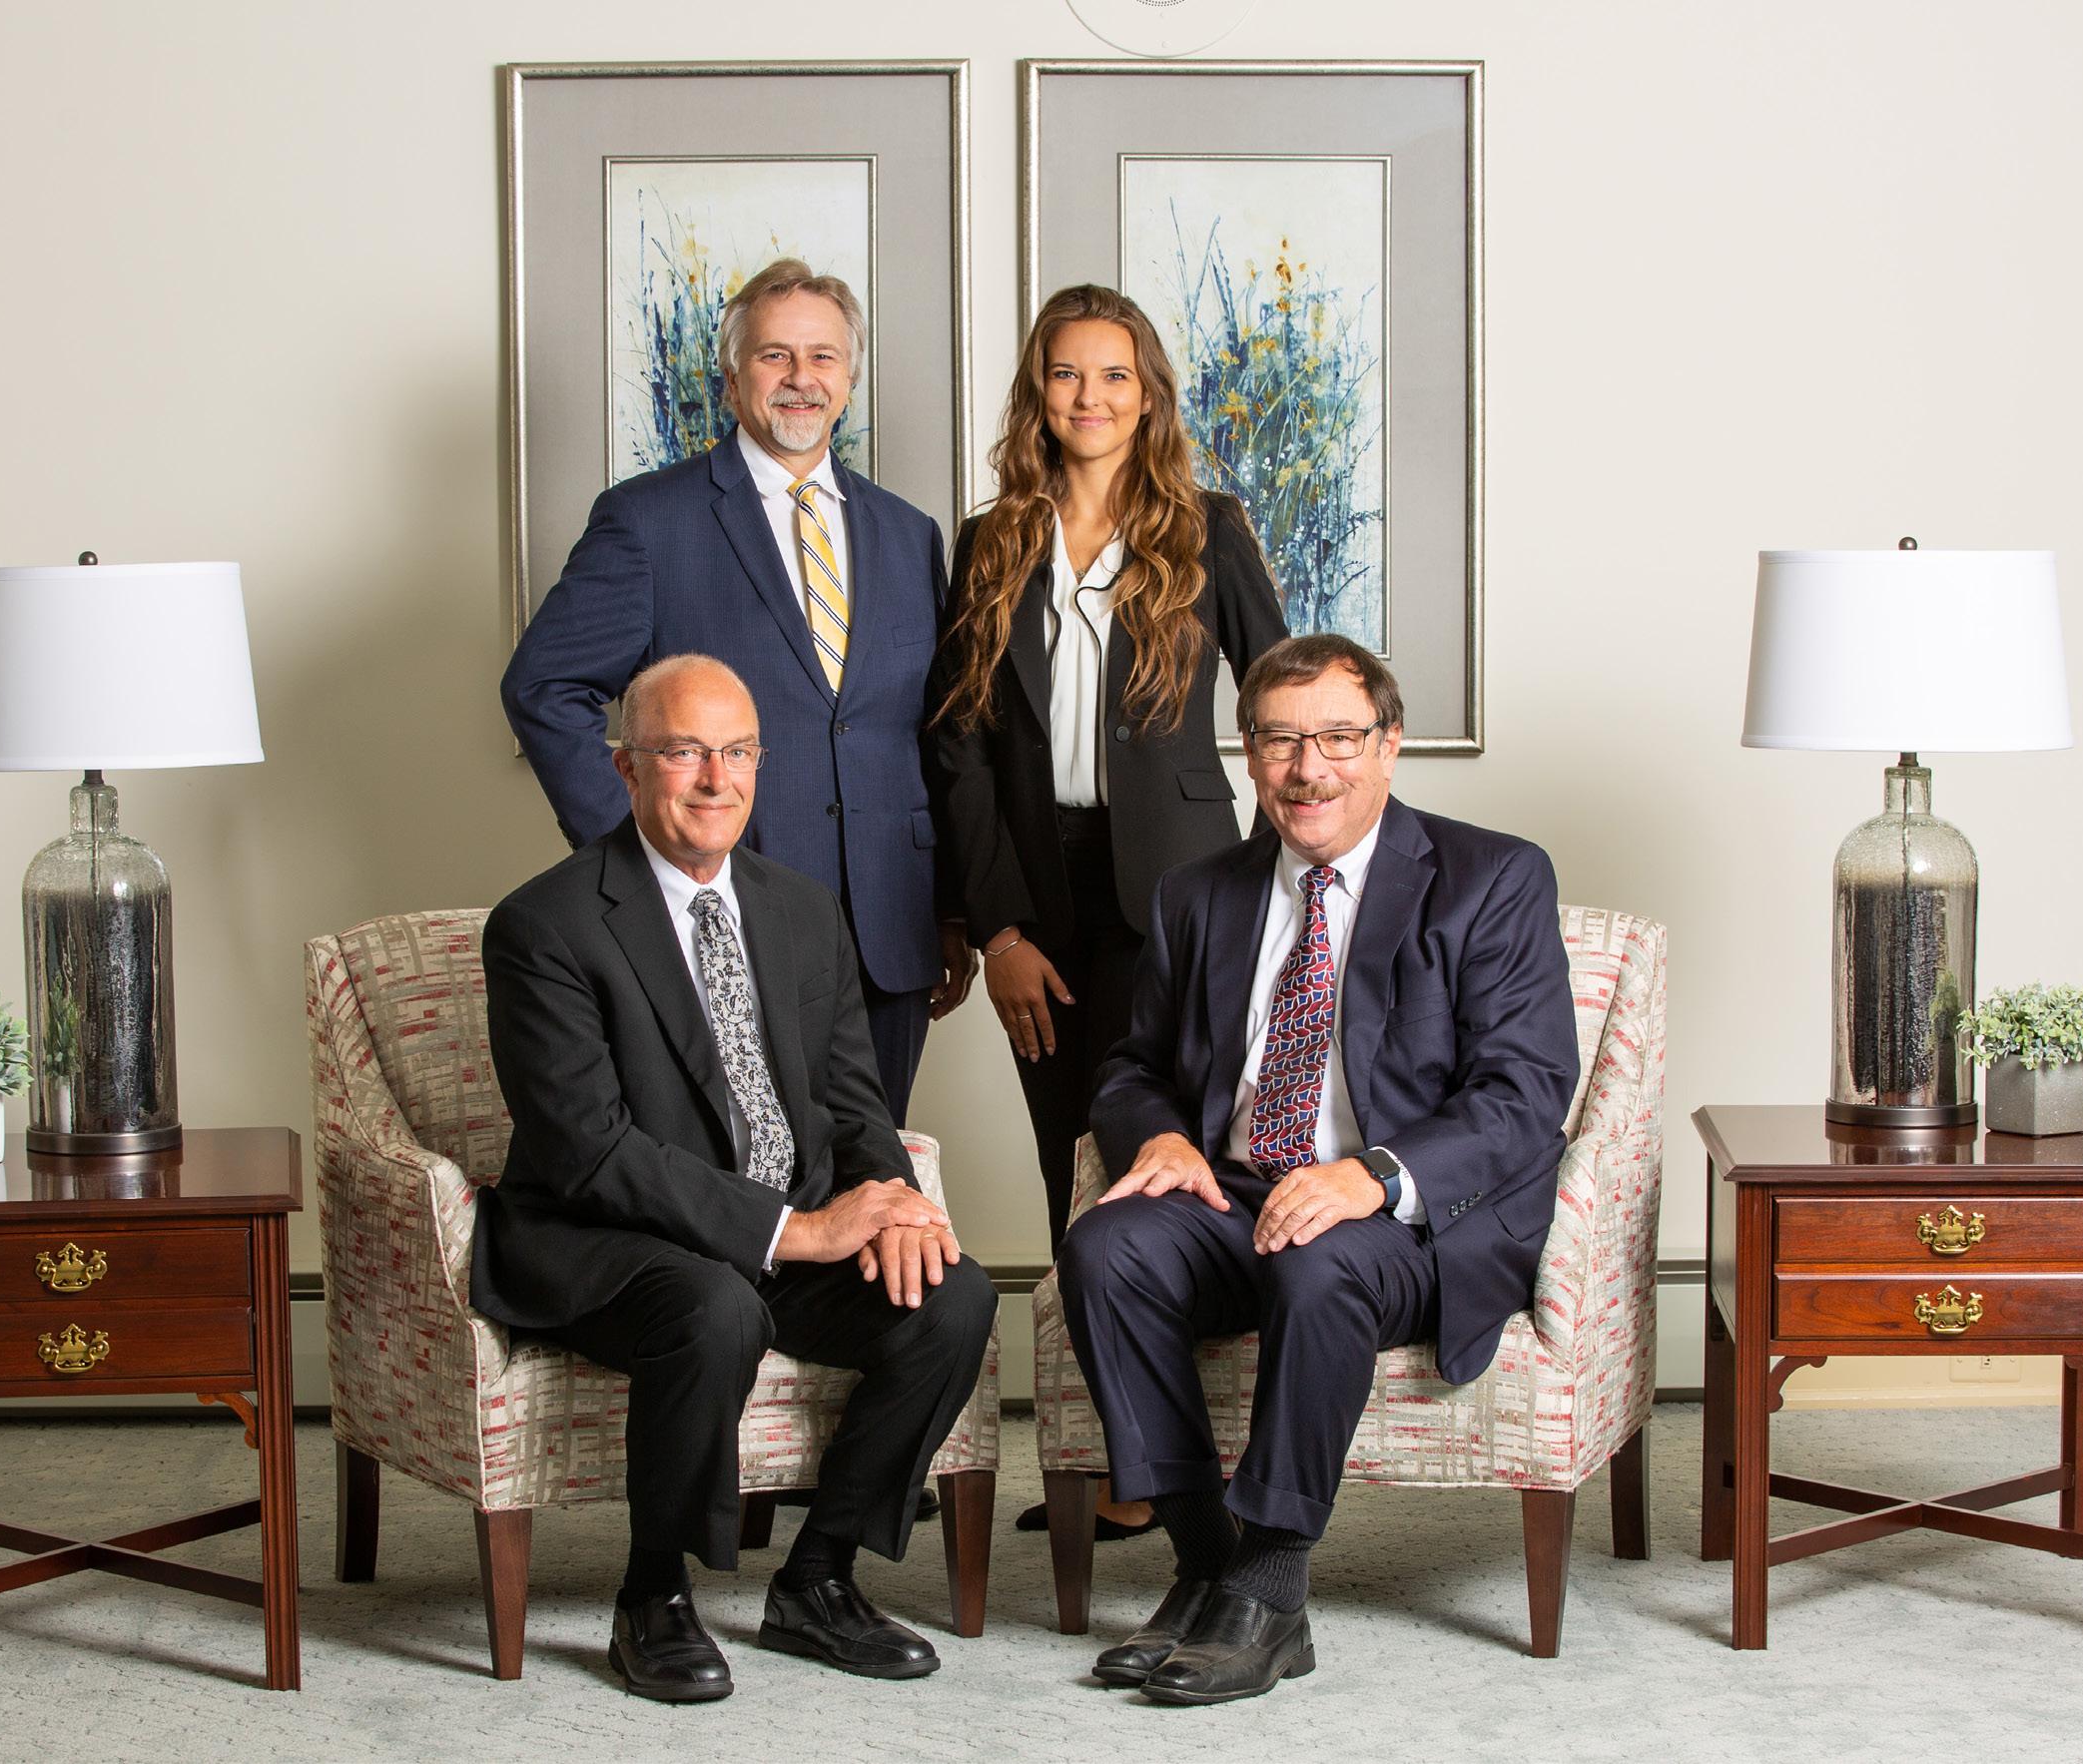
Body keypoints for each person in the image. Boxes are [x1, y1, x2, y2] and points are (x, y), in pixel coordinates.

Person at [1055, 633, 1579, 1706]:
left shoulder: (1490, 876)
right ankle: (1206, 1562)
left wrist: (1373, 1175)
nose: (1309, 769)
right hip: (1238, 1193)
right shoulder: (1198, 893)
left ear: (1388, 745)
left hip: (1409, 1221)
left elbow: (1525, 1091)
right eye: (1281, 740)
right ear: (1248, 753)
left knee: (1320, 1258)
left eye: (1338, 737)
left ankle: (1269, 1580)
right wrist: (1158, 1137)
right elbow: (1133, 1068)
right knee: (1107, 1247)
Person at [471, 655, 998, 1704]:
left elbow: (853, 1103)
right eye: (684, 751)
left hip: (781, 1233)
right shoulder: (544, 925)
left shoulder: (799, 908)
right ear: (626, 767)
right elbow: (589, 1151)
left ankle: (818, 1577)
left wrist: (892, 1205)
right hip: (610, 1241)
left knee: (953, 1295)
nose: (716, 778)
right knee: (713, 1307)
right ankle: (653, 1595)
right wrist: (792, 1234)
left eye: (738, 751)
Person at [927, 283, 1285, 1542]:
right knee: (1060, 1157)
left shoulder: (1208, 529)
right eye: (1066, 373)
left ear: (1148, 395)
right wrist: (996, 929)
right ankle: (1109, 1451)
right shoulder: (991, 542)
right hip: (1036, 894)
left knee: (1160, 1150)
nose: (1090, 397)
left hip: (1177, 887)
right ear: (1038, 392)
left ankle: (1169, 1462)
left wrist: (1272, 876)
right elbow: (959, 748)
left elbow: (1280, 699)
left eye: (1114, 375)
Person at [502, 259, 972, 1125]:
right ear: (730, 378)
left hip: (889, 927)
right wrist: (637, 852)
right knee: (739, 1170)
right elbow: (543, 686)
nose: (801, 378)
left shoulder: (909, 534)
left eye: (823, 357)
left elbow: (933, 734)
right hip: (719, 911)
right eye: (773, 355)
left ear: (849, 377)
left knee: (870, 1166)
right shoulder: (648, 521)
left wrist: (950, 907)